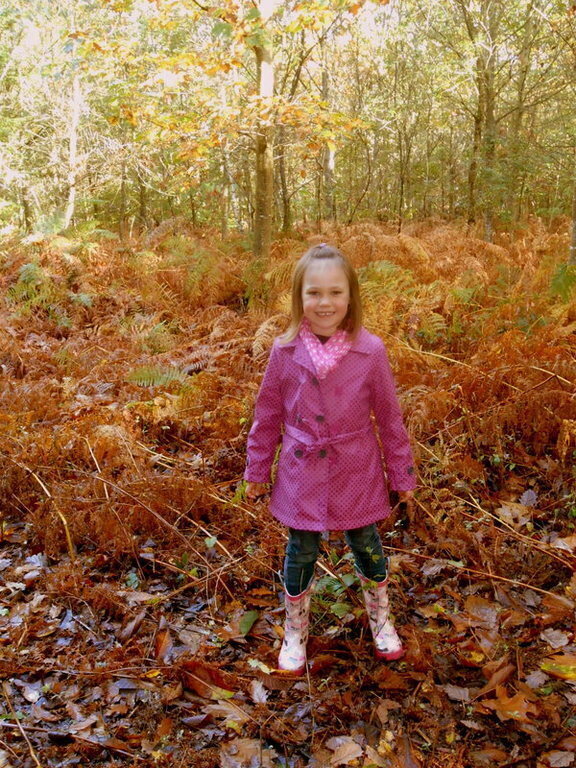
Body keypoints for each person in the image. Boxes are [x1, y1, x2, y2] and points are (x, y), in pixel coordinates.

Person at [244, 243, 416, 675]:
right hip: (302, 470)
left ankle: (381, 619)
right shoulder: (284, 352)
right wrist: (256, 470)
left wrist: (402, 474)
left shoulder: (370, 351)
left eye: (335, 293)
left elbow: (390, 419)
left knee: (366, 543)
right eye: (314, 293)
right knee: (301, 549)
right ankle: (295, 630)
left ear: (351, 297)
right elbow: (267, 415)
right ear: (299, 297)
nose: (325, 303)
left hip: (356, 466)